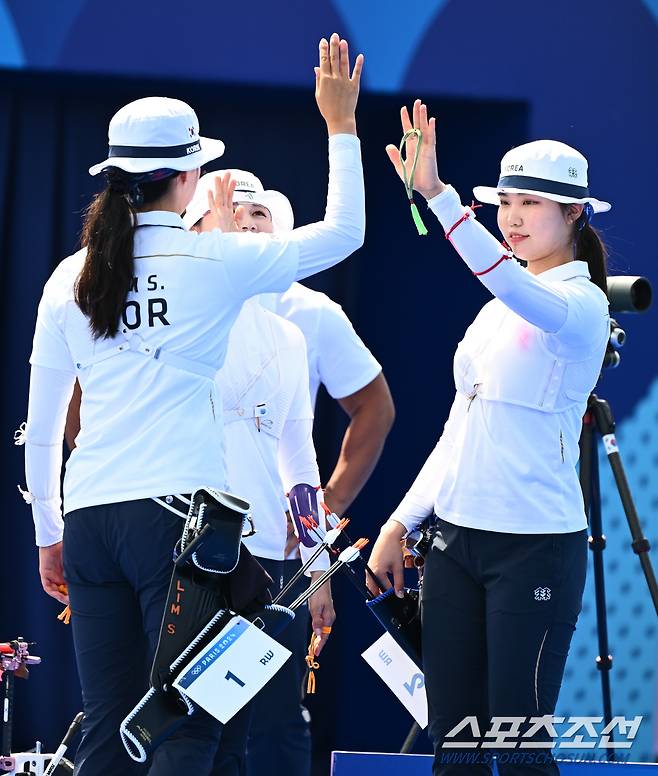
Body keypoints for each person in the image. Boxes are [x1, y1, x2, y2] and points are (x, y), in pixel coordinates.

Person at [22, 33, 364, 776]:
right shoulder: (215, 261)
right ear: (190, 177)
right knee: (190, 725)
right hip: (177, 522)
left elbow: (43, 430)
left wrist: (50, 530)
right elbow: (346, 233)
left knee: (109, 730)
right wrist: (340, 123)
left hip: (90, 520)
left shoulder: (65, 278)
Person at [367, 100, 610, 776]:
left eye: (532, 203)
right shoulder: (492, 312)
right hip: (454, 544)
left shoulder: (581, 305)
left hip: (534, 549)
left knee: (520, 747)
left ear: (574, 215)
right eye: (506, 201)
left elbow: (504, 278)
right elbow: (460, 427)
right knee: (456, 750)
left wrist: (438, 196)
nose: (513, 216)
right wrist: (401, 520)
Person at [183, 169, 394, 776]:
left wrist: (315, 563)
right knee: (187, 723)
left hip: (271, 555)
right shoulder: (182, 316)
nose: (247, 230)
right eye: (232, 218)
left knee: (267, 720)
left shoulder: (294, 328)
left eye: (260, 220)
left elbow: (299, 456)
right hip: (180, 545)